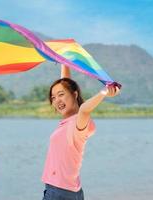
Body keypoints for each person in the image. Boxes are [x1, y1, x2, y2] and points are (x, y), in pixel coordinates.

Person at [41, 64, 120, 200]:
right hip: (71, 191)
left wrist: (105, 92)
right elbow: (66, 85)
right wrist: (64, 61)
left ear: (75, 94)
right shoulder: (71, 121)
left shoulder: (79, 122)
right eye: (53, 98)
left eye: (61, 95)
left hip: (58, 192)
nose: (57, 100)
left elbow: (84, 109)